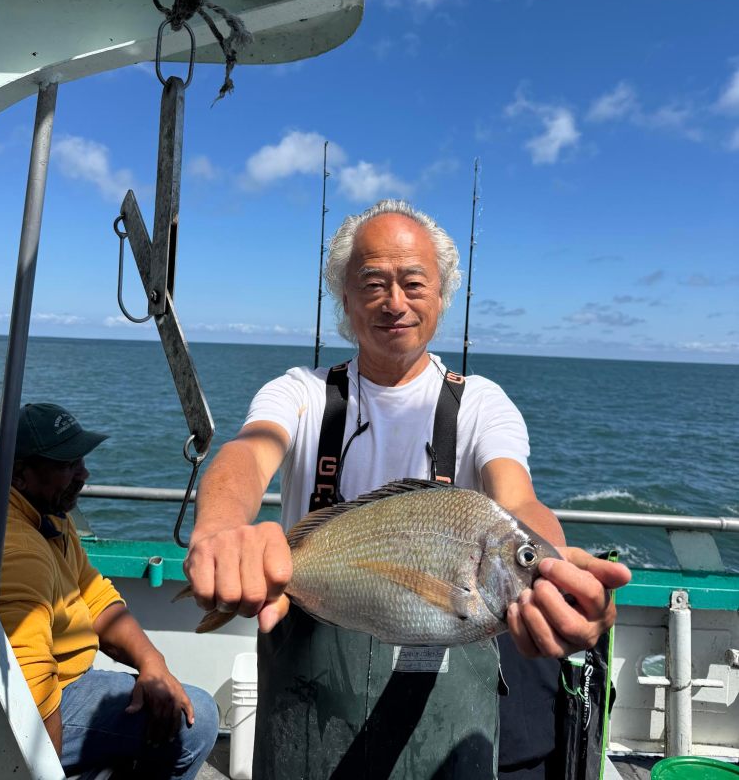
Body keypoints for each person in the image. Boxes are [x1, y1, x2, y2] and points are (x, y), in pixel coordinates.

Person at [185, 199, 631, 779]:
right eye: (372, 282)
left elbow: (517, 502)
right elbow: (249, 450)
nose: (395, 302)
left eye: (414, 282)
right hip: (306, 698)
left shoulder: (481, 403)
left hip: (444, 709)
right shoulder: (299, 391)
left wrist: (546, 573)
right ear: (344, 300)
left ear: (442, 297)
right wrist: (221, 528)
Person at [0, 402, 219, 779]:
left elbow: (95, 597)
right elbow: (30, 703)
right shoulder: (20, 551)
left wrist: (153, 664)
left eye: (80, 460)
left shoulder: (47, 514)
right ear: (21, 475)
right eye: (68, 465)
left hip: (62, 683)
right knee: (194, 721)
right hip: (35, 707)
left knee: (172, 699)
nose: (84, 473)